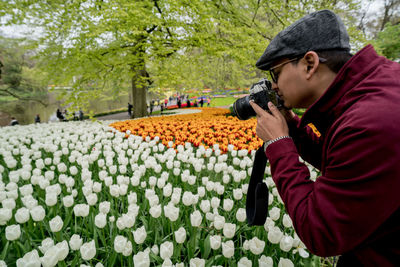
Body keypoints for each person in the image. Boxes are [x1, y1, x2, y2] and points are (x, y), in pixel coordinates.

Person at [249, 10, 400, 266]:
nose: (273, 86)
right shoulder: (375, 88)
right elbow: (348, 164)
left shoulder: (370, 122)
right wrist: (292, 129)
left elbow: (320, 232)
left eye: (275, 73)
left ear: (310, 63)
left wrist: (278, 145)